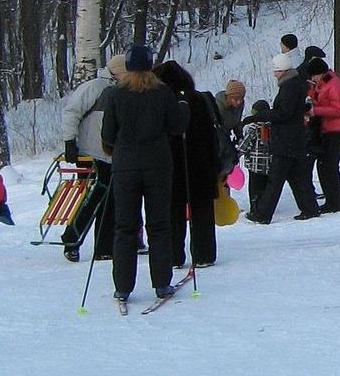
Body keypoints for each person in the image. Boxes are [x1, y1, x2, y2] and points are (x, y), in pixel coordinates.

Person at [102, 45, 191, 307]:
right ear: (151, 65)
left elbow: (107, 133)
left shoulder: (116, 94)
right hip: (157, 165)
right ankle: (162, 283)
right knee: (159, 225)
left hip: (126, 166)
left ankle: (122, 286)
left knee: (125, 227)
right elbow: (176, 126)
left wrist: (117, 147)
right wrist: (183, 106)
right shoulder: (162, 92)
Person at [59, 54, 124, 262]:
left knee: (111, 202)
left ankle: (105, 248)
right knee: (91, 200)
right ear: (118, 71)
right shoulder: (95, 87)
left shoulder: (123, 90)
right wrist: (70, 141)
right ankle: (71, 239)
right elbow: (72, 111)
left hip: (111, 155)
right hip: (90, 153)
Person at [156, 61, 220, 268]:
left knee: (173, 210)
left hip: (172, 162)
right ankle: (204, 254)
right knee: (202, 210)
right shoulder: (203, 99)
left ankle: (174, 255)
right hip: (202, 162)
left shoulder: (163, 101)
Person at [249, 53, 323, 224]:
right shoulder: (296, 83)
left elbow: (284, 113)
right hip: (294, 138)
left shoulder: (289, 87)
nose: (274, 74)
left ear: (281, 71)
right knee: (297, 177)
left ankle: (262, 214)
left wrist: (262, 115)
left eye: (276, 71)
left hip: (286, 139)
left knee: (275, 179)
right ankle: (309, 208)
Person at [305, 60, 340, 213]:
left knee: (329, 166)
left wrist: (316, 111)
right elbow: (318, 97)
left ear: (321, 73)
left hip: (338, 130)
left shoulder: (335, 85)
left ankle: (334, 202)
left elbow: (338, 109)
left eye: (315, 76)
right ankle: (331, 199)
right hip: (328, 129)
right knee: (324, 165)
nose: (313, 79)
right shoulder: (322, 84)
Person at [238, 99, 273, 213]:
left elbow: (245, 146)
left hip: (255, 165)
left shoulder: (253, 128)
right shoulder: (274, 126)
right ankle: (265, 207)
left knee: (255, 189)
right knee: (265, 188)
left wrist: (235, 155)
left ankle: (255, 209)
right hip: (269, 164)